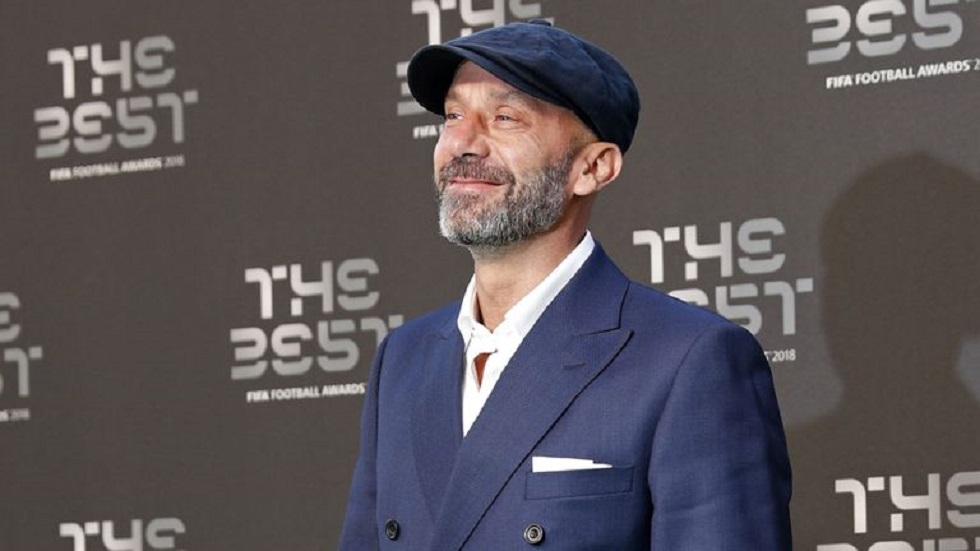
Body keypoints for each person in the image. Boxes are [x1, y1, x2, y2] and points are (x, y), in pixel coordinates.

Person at [340, 20, 791, 550]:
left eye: (505, 118)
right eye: (453, 116)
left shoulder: (689, 360)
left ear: (593, 167)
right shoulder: (404, 358)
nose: (462, 143)